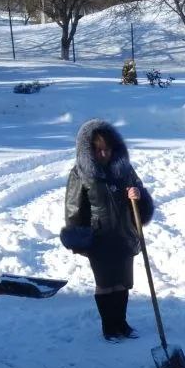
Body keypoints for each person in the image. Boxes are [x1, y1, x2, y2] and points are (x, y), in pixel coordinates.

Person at [61, 119, 154, 342]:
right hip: (99, 238)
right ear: (89, 149)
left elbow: (139, 193)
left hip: (124, 234)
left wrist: (138, 195)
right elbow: (74, 207)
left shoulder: (125, 170)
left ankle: (122, 324)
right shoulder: (80, 173)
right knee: (105, 284)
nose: (103, 154)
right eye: (98, 150)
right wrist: (78, 236)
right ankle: (109, 327)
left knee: (122, 282)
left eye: (107, 149)